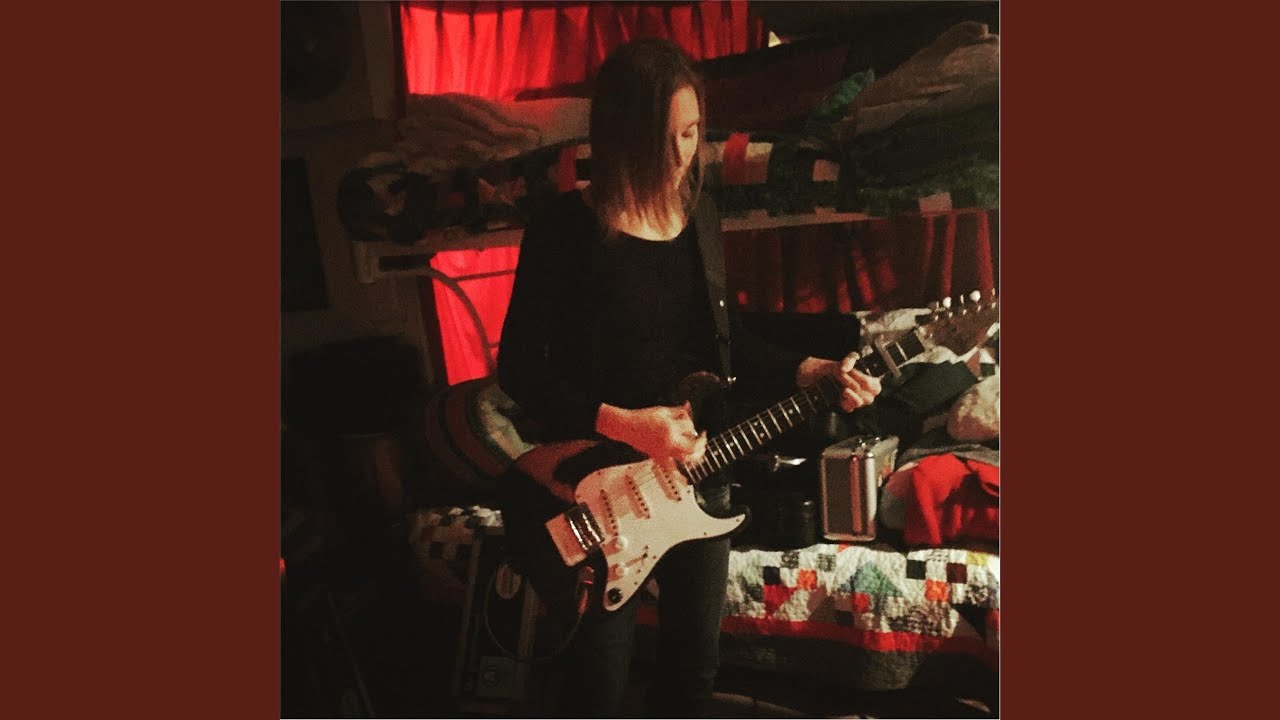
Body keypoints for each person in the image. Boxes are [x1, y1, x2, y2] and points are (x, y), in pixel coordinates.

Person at [495, 37, 882, 718]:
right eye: (665, 136)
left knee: (692, 680)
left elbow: (725, 343)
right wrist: (626, 425)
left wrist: (809, 368)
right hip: (600, 488)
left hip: (698, 475)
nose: (682, 155)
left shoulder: (699, 215)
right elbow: (520, 368)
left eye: (692, 132)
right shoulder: (563, 228)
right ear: (622, 136)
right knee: (598, 692)